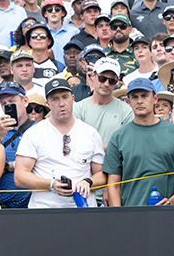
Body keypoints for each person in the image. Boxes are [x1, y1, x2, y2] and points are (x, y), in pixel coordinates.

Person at [13, 79, 106, 208]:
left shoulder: (90, 133)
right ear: (48, 103)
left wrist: (88, 182)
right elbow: (19, 176)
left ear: (73, 98)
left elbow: (102, 174)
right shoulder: (34, 133)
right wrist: (50, 184)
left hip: (83, 210)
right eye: (55, 99)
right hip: (45, 211)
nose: (61, 103)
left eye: (65, 97)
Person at [103, 78, 174, 207]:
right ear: (128, 102)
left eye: (144, 96)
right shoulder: (118, 137)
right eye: (134, 97)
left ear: (155, 98)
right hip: (133, 214)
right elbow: (114, 184)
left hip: (171, 214)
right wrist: (119, 217)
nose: (139, 101)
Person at [72, 58, 134, 146]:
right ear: (93, 76)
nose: (106, 84)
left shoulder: (126, 111)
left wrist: (93, 146)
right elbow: (76, 142)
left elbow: (127, 143)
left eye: (112, 80)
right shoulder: (78, 109)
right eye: (102, 78)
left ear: (117, 82)